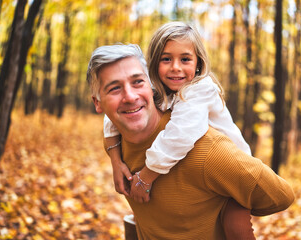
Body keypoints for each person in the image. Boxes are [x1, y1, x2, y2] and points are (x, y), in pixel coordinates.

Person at [87, 43, 295, 239]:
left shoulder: (208, 152)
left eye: (137, 82)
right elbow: (110, 124)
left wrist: (234, 205)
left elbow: (281, 195)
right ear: (98, 103)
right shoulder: (119, 138)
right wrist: (115, 159)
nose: (130, 97)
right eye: (114, 88)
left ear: (150, 86)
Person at [103, 21, 254, 239]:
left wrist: (145, 177)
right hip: (196, 180)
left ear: (198, 64)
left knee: (235, 228)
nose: (176, 67)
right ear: (154, 63)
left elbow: (179, 136)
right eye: (166, 59)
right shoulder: (153, 88)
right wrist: (116, 162)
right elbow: (115, 114)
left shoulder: (200, 89)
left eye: (185, 59)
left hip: (231, 175)